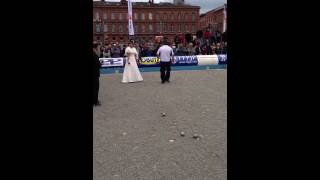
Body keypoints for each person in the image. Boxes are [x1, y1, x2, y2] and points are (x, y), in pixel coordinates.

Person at [93, 41, 101, 106]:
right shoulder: (95, 55)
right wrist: (100, 64)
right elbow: (98, 65)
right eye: (98, 47)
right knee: (95, 87)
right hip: (94, 74)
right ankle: (95, 101)